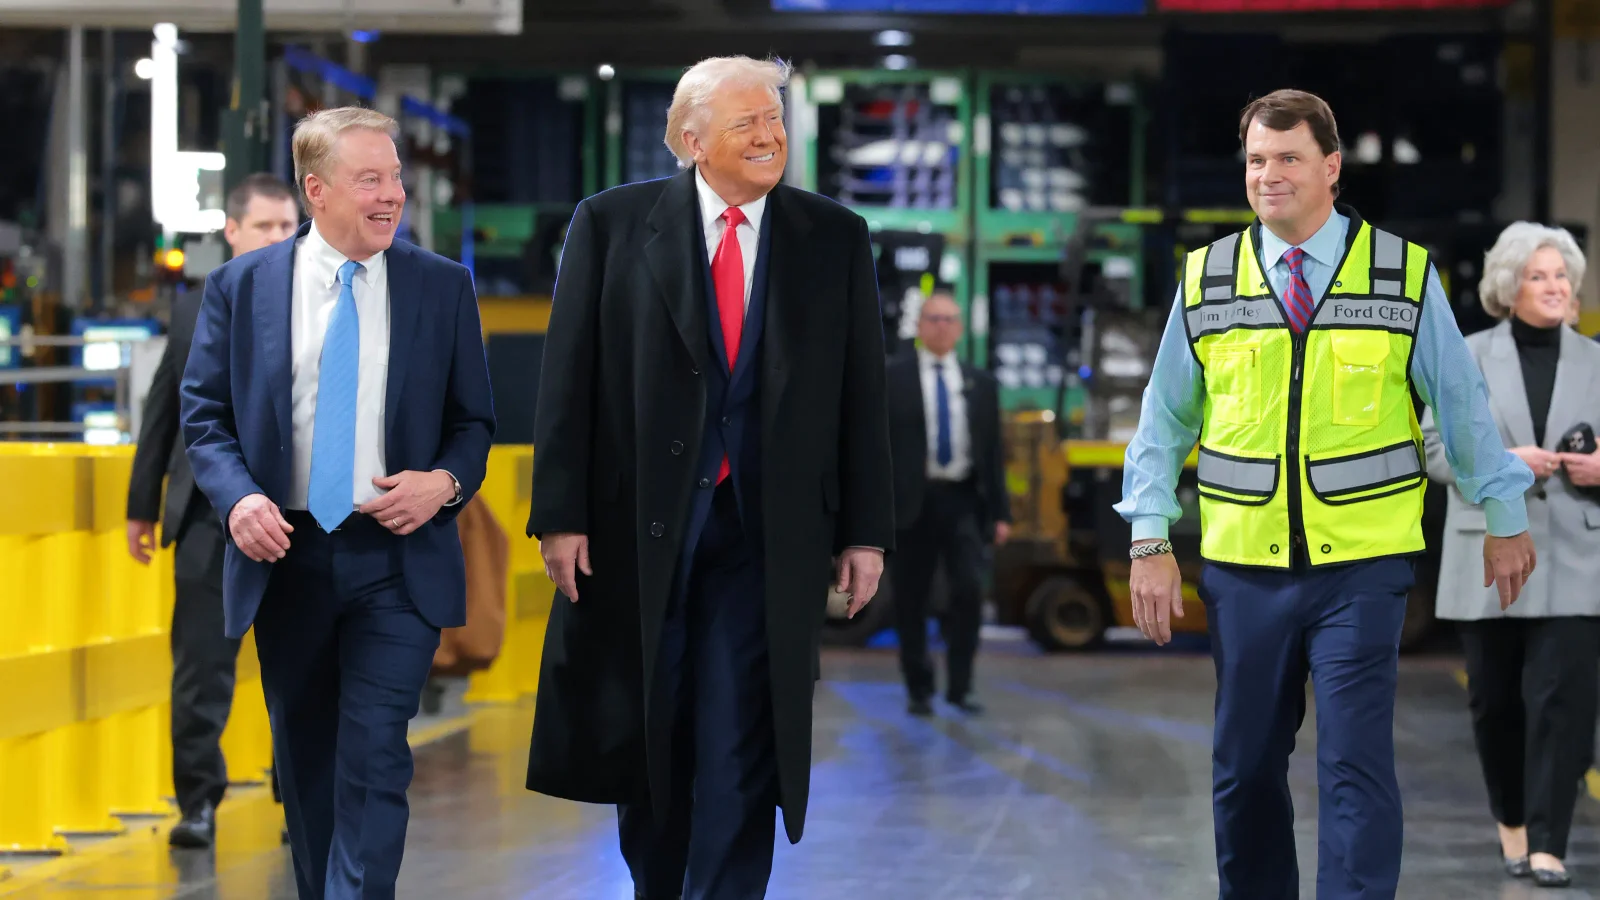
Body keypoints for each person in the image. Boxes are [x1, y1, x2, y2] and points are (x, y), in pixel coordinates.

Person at [1115, 88, 1538, 900]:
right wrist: (1150, 540)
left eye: (1288, 159)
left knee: (1354, 764)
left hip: (1364, 569)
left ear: (1331, 168)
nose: (1268, 176)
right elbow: (1162, 423)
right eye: (1256, 161)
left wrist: (1504, 513)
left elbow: (1461, 405)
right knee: (1243, 771)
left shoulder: (1402, 274)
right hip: (1243, 569)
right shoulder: (1207, 278)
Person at [523, 55, 895, 899]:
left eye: (775, 119)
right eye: (746, 124)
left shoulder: (832, 235)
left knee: (739, 742)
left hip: (767, 538)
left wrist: (865, 530)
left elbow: (859, 393)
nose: (770, 136)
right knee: (649, 740)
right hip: (636, 535)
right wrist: (561, 515)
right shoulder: (611, 226)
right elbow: (567, 378)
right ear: (691, 141)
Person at [180, 106, 495, 898]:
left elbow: (474, 423)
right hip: (286, 555)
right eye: (370, 180)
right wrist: (238, 499)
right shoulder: (240, 288)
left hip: (396, 559)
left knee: (376, 753)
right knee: (308, 759)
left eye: (395, 178)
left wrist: (444, 483)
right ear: (316, 190)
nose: (392, 195)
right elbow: (205, 420)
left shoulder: (441, 287)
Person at [126, 172, 298, 848]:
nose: (279, 239)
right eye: (265, 227)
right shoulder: (193, 309)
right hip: (205, 519)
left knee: (299, 666)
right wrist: (143, 505)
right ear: (232, 231)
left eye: (289, 227)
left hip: (294, 519)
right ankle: (197, 803)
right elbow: (163, 407)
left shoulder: (322, 304)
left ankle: (298, 797)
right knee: (200, 672)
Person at [1424, 222, 1595, 889]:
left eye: (1562, 276)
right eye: (1538, 275)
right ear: (1508, 286)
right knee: (1496, 701)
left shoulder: (1597, 360)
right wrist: (1501, 463)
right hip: (1487, 554)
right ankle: (1514, 826)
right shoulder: (1464, 356)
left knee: (1566, 700)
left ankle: (1551, 843)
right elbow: (1435, 452)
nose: (1554, 287)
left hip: (1580, 552)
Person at [885, 291, 1010, 716]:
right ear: (920, 326)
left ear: (959, 328)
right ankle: (919, 689)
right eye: (933, 319)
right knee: (910, 599)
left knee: (969, 592)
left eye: (949, 319)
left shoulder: (981, 384)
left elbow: (993, 453)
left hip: (962, 501)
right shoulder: (892, 379)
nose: (941, 326)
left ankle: (961, 686)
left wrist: (1000, 513)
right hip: (910, 504)